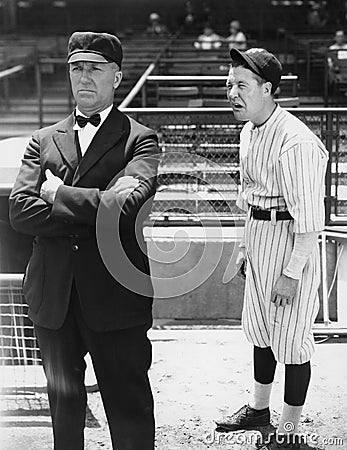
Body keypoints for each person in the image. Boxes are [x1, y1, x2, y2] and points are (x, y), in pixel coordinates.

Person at [9, 31, 159, 450]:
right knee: (64, 413)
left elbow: (128, 207)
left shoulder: (139, 139)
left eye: (94, 68)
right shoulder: (43, 140)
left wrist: (57, 196)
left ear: (116, 77)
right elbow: (20, 211)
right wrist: (94, 212)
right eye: (77, 68)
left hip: (116, 295)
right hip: (53, 297)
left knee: (129, 412)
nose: (84, 77)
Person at [215, 48, 328, 449]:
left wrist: (291, 272)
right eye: (230, 85)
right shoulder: (249, 130)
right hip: (260, 235)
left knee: (293, 341)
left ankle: (291, 432)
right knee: (261, 332)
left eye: (241, 85)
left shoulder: (296, 142)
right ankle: (259, 410)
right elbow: (250, 196)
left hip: (290, 242)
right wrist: (246, 246)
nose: (232, 93)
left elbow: (311, 221)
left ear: (267, 89)